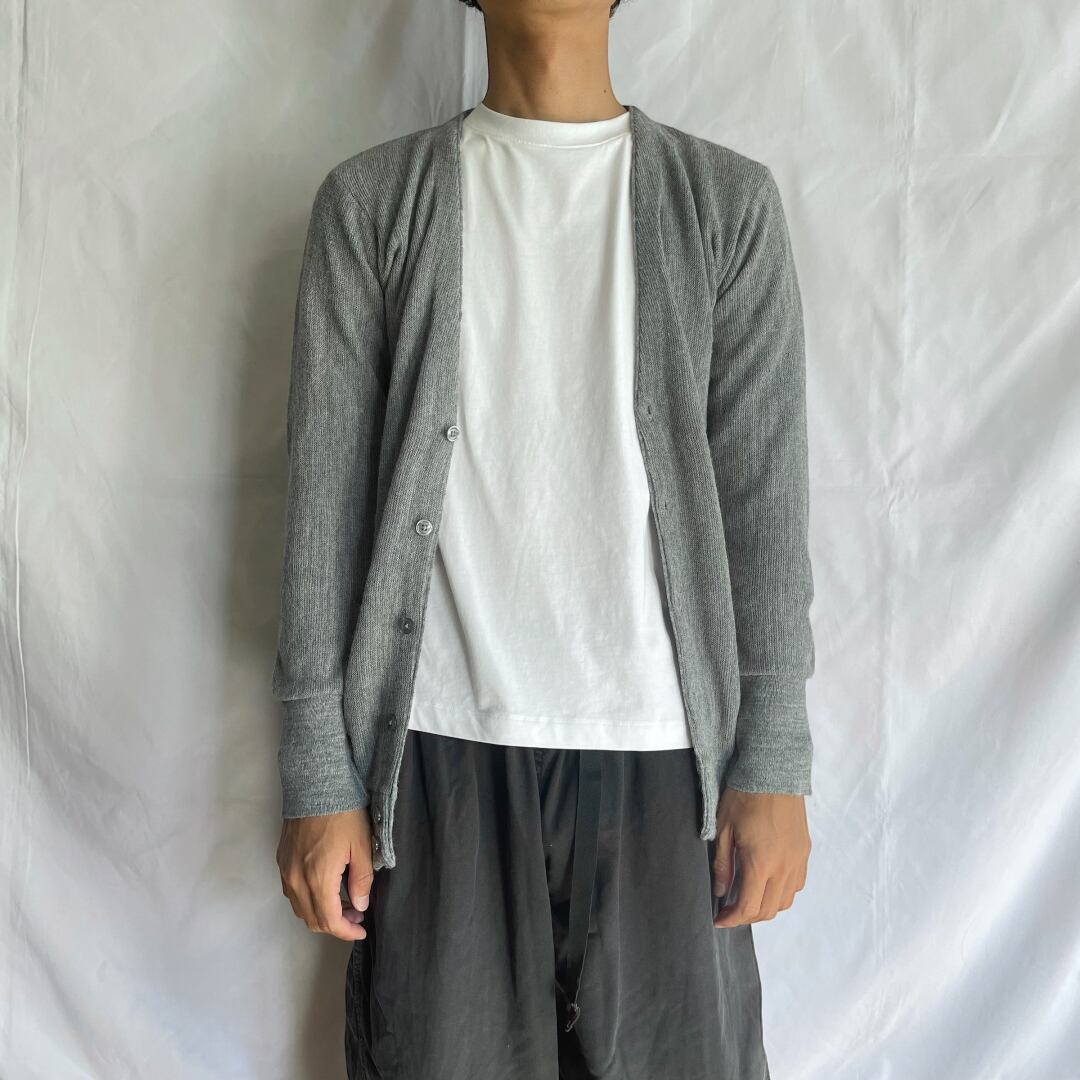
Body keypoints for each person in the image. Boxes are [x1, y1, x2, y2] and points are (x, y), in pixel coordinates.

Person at [271, 1, 816, 1076]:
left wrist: (775, 756)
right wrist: (316, 770)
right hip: (436, 755)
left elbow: (765, 508)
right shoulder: (373, 204)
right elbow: (320, 514)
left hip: (673, 767)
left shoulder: (725, 206)